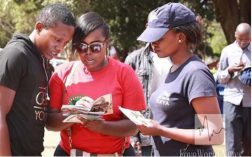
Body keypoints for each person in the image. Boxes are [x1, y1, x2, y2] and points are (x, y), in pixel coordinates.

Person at [47, 12, 146, 156]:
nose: (88, 53)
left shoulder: (125, 73)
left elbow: (134, 125)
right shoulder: (62, 74)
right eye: (81, 47)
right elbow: (50, 122)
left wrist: (102, 126)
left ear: (106, 43)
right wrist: (75, 114)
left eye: (95, 47)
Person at [0, 4, 75, 156]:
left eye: (65, 43)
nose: (60, 47)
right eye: (57, 39)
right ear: (39, 27)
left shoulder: (42, 61)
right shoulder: (15, 55)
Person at [136, 3, 223, 156]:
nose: (153, 44)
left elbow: (214, 134)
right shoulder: (175, 68)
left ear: (181, 37)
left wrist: (161, 130)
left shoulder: (195, 72)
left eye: (159, 38)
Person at [124, 11, 171, 156]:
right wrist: (132, 135)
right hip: (143, 137)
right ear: (147, 27)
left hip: (172, 135)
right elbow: (125, 102)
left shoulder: (182, 61)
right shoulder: (133, 60)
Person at [217, 23, 251, 156]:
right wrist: (230, 71)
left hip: (250, 102)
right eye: (240, 39)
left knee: (249, 142)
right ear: (235, 35)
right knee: (232, 142)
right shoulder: (227, 51)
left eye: (246, 39)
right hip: (232, 101)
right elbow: (220, 78)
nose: (243, 42)